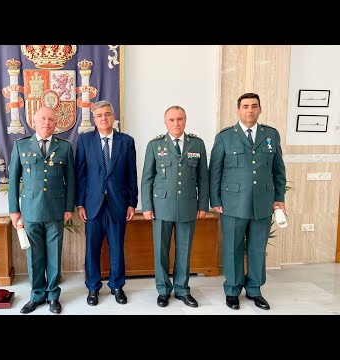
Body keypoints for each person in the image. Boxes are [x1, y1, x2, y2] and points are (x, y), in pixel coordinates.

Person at [209, 93, 286, 310]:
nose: (249, 110)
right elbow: (215, 170)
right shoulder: (225, 137)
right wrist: (215, 200)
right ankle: (232, 290)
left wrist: (279, 198)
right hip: (232, 203)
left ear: (260, 109)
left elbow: (278, 169)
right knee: (232, 248)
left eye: (254, 106)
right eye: (245, 106)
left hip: (263, 202)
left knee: (257, 248)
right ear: (238, 110)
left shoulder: (271, 134)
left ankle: (254, 290)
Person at [8, 106, 75, 314]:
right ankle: (36, 295)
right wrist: (14, 210)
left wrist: (68, 207)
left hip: (56, 209)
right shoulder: (21, 145)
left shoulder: (64, 147)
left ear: (56, 124)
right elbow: (13, 181)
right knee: (34, 256)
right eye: (43, 119)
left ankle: (53, 295)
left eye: (51, 120)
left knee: (54, 254)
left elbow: (70, 180)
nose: (47, 123)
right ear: (34, 122)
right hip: (30, 210)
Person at [141, 105, 209, 308]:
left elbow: (203, 177)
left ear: (185, 121)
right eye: (171, 120)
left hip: (188, 204)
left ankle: (181, 289)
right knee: (161, 250)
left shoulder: (197, 144)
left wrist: (203, 203)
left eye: (180, 119)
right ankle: (163, 290)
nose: (176, 123)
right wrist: (146, 205)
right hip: (161, 205)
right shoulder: (155, 145)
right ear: (165, 123)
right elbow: (147, 178)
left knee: (184, 250)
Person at [76, 100, 138, 306]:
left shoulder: (126, 141)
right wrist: (79, 204)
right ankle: (93, 288)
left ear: (113, 117)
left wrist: (132, 203)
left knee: (117, 247)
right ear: (94, 119)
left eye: (107, 114)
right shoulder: (84, 141)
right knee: (92, 249)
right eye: (99, 115)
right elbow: (80, 175)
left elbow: (131, 175)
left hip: (118, 204)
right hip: (92, 206)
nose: (104, 118)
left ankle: (117, 286)